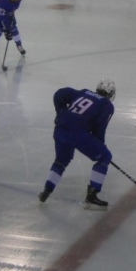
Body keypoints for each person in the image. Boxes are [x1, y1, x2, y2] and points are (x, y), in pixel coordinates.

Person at [37, 80, 116, 210]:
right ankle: (92, 195)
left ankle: (47, 190)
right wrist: (100, 147)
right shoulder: (106, 104)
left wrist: (60, 112)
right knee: (105, 157)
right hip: (78, 134)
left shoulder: (84, 92)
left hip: (60, 129)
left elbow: (59, 93)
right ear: (111, 94)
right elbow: (99, 129)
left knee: (61, 160)